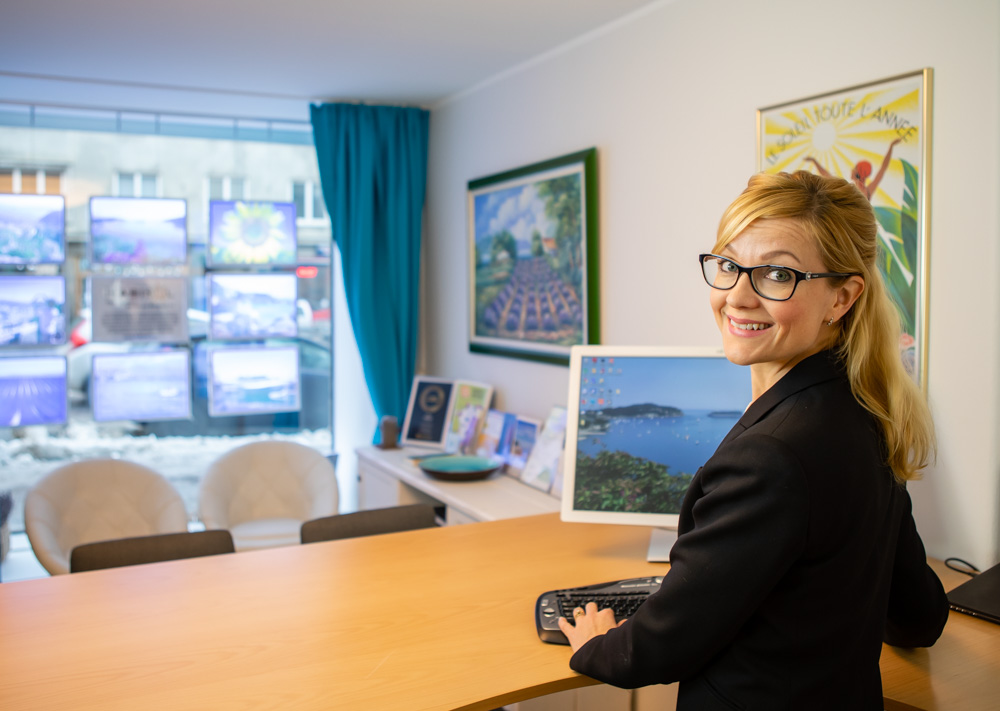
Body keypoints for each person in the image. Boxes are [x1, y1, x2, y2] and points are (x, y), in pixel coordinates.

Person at [558, 171, 947, 710]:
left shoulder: (771, 455)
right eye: (728, 265)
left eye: (778, 274)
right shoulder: (868, 414)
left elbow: (653, 652)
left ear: (842, 297)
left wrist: (597, 644)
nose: (737, 297)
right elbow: (919, 616)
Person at [804, 137, 902, 200]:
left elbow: (826, 175)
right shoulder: (867, 191)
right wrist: (891, 146)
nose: (851, 169)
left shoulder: (848, 189)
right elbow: (883, 168)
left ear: (858, 173)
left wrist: (814, 161)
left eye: (854, 168)